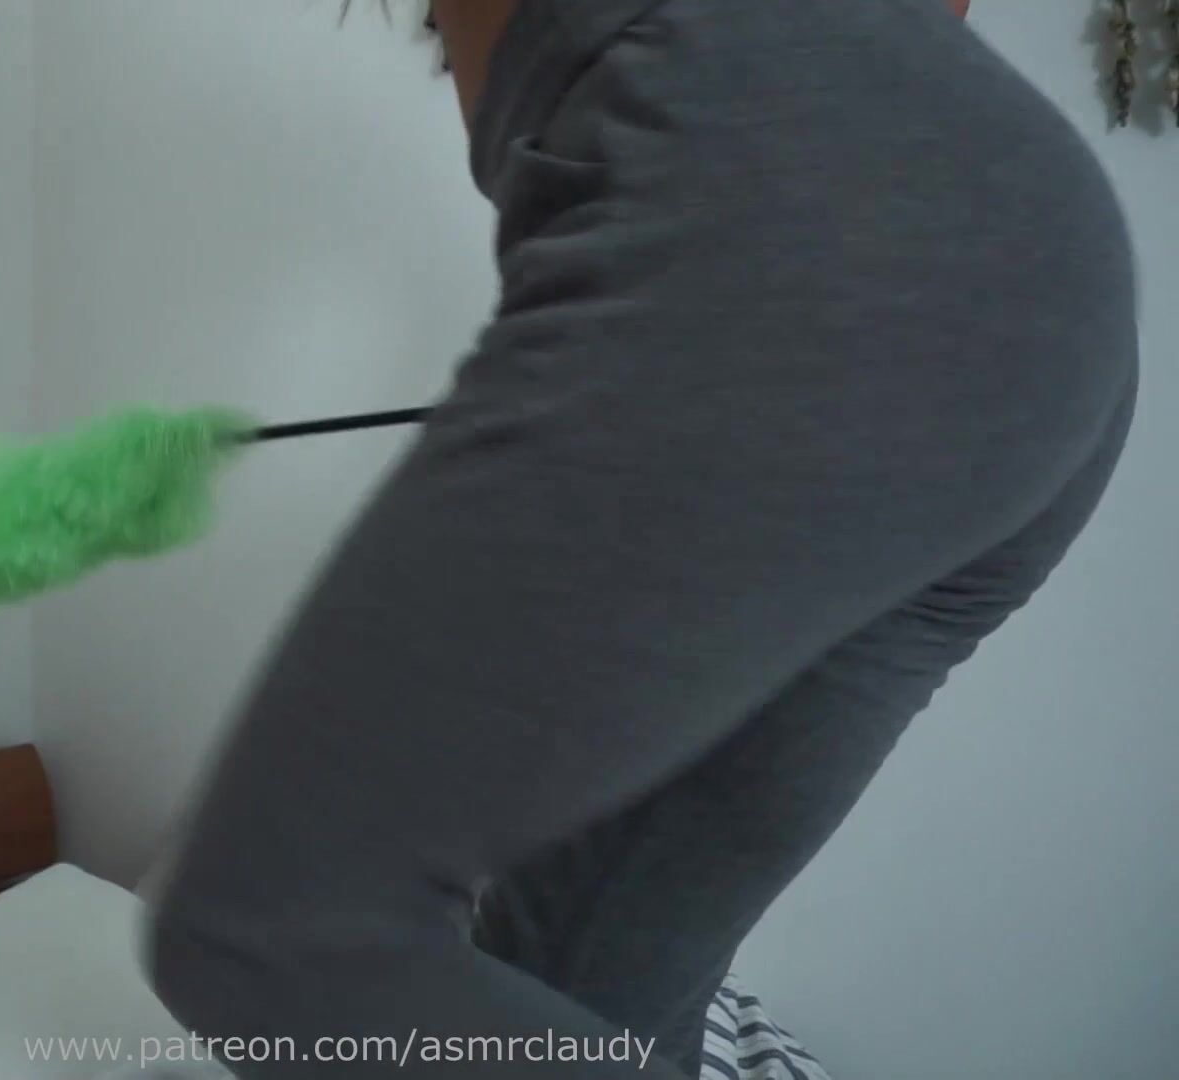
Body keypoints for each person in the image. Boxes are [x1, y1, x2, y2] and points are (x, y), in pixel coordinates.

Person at [143, 0, 1138, 1076]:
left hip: (819, 193)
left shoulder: (708, 111)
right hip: (1052, 272)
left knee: (265, 933)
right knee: (589, 979)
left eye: (436, 35)